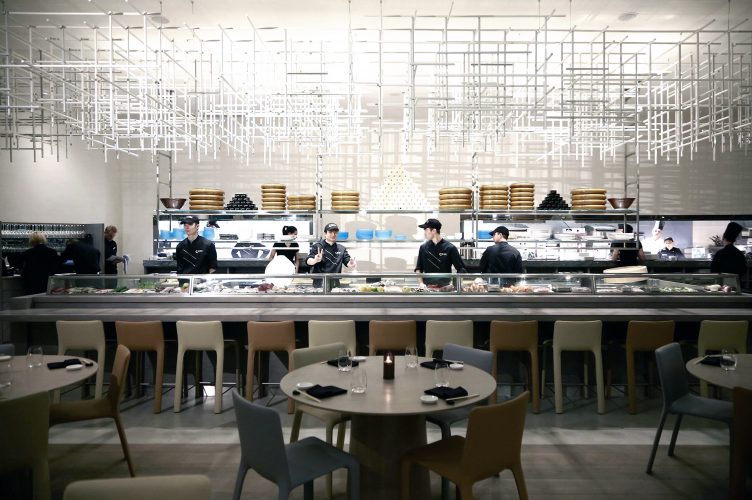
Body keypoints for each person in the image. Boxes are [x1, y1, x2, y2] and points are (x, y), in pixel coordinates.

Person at [414, 218, 466, 287]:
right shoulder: (423, 248)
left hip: (445, 288)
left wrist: (455, 284)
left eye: (426, 230)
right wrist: (421, 283)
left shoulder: (450, 248)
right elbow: (418, 269)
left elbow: (461, 269)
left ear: (434, 231)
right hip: (427, 287)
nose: (424, 233)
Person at [306, 223, 355, 288]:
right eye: (330, 232)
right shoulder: (318, 246)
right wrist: (315, 260)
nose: (333, 235)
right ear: (325, 233)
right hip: (319, 282)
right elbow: (308, 260)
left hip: (335, 281)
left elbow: (347, 261)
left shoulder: (341, 248)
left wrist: (350, 264)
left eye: (335, 232)